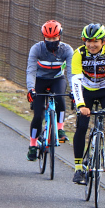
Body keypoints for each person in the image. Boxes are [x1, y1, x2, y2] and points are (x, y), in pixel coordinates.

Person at [70, 23, 105, 184]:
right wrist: (80, 105)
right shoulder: (79, 54)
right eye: (88, 41)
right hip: (86, 90)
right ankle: (78, 168)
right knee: (81, 126)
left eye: (96, 41)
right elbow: (75, 81)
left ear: (103, 42)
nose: (91, 44)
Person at [25, 20, 74, 161]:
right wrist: (31, 89)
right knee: (38, 115)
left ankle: (59, 129)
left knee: (59, 97)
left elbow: (70, 72)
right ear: (43, 37)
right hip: (40, 80)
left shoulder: (67, 50)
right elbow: (31, 70)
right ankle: (33, 145)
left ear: (60, 37)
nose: (51, 41)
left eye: (54, 38)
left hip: (57, 79)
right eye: (48, 38)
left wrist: (73, 91)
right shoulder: (37, 49)